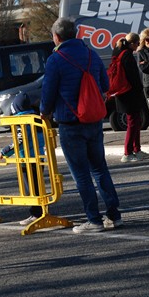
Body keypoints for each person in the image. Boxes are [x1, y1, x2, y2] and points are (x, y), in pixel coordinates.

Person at [40, 17, 122, 234]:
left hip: (70, 123)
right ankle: (114, 215)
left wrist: (43, 113)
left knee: (82, 175)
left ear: (56, 37)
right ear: (75, 34)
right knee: (100, 169)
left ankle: (93, 219)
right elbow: (105, 85)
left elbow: (47, 94)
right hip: (94, 121)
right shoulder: (91, 54)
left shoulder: (55, 60)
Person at [0, 92, 44, 226]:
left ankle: (36, 214)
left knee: (31, 188)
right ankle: (42, 211)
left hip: (27, 158)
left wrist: (4, 152)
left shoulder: (20, 120)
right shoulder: (35, 117)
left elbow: (19, 141)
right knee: (37, 186)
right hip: (39, 156)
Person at [113, 34, 149, 163]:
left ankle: (136, 150)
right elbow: (133, 77)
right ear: (133, 43)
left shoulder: (118, 52)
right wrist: (140, 90)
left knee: (135, 121)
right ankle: (128, 152)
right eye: (137, 43)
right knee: (133, 123)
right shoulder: (127, 55)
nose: (138, 46)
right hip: (130, 93)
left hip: (122, 93)